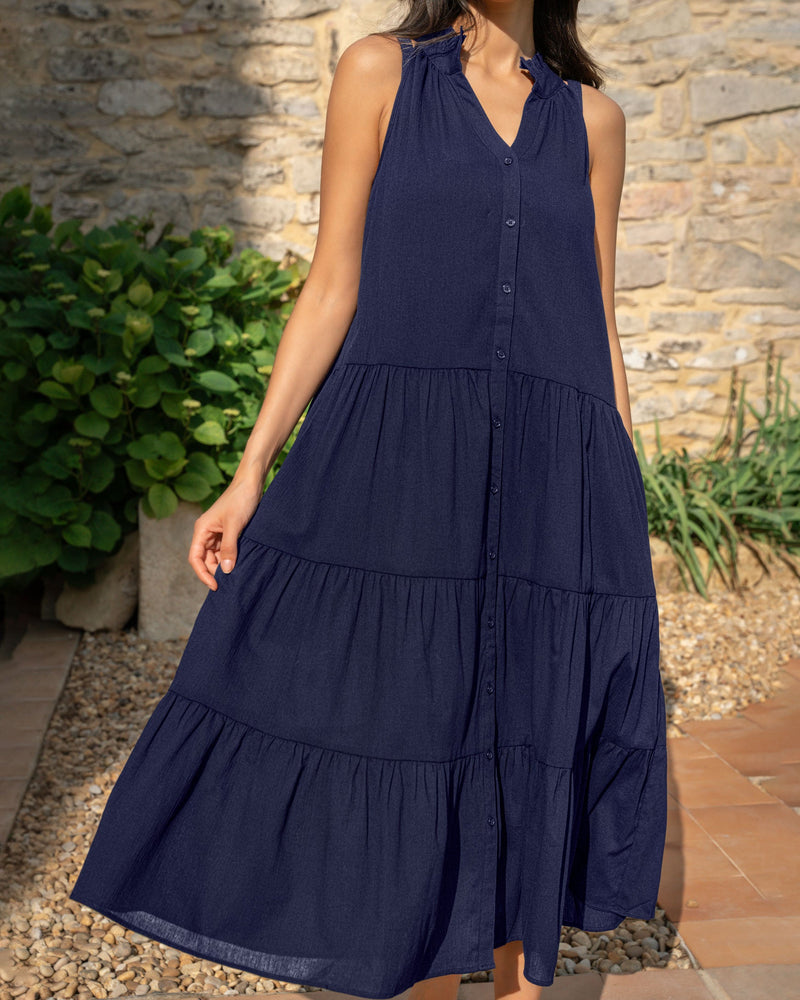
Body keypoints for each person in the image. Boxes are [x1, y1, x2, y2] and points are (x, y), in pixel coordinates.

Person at [69, 2, 669, 998]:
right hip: (399, 459)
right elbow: (331, 283)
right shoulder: (380, 74)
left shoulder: (593, 122)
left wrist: (615, 495)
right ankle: (404, 949)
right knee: (399, 711)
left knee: (536, 721)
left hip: (555, 471)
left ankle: (518, 976)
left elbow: (596, 321)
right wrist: (251, 465)